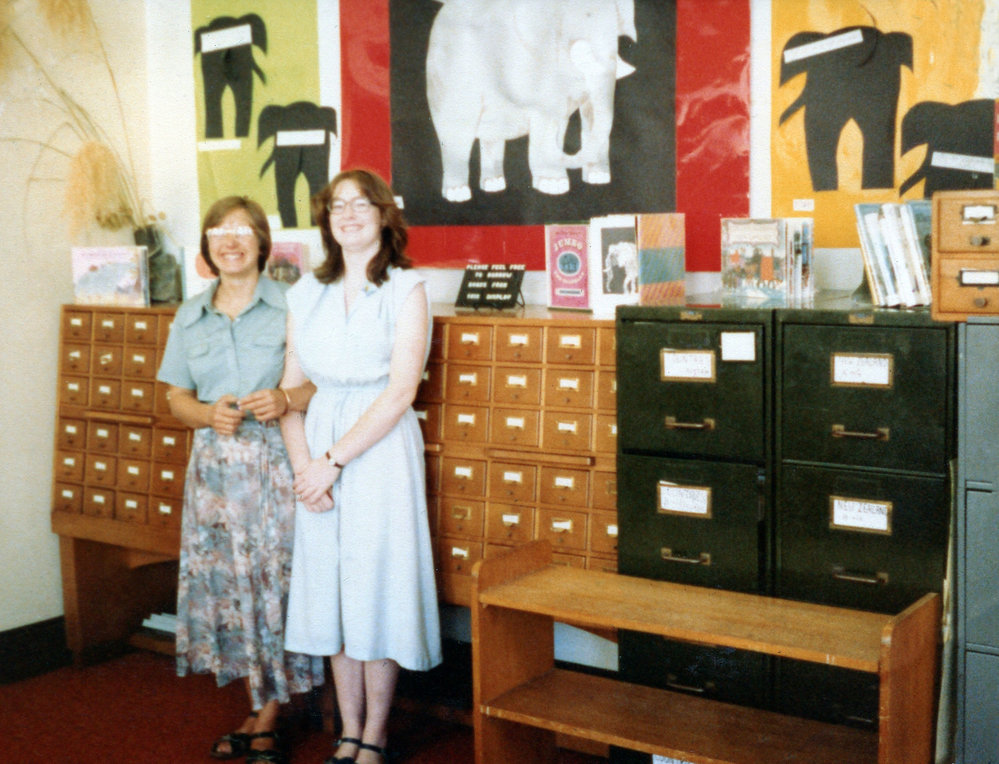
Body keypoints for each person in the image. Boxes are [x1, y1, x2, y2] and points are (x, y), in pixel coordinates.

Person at [279, 169, 442, 764]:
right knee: (331, 589)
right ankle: (348, 727)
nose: (347, 214)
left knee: (378, 587)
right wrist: (306, 471)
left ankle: (375, 733)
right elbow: (292, 392)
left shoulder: (407, 289)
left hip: (376, 447)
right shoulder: (305, 293)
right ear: (326, 220)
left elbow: (400, 391)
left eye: (361, 204)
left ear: (383, 217)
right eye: (336, 206)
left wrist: (332, 461)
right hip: (317, 448)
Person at [157, 196, 324, 764]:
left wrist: (283, 397)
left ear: (261, 243)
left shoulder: (293, 306)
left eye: (242, 231)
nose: (230, 241)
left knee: (273, 584)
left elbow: (325, 384)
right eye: (218, 233)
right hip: (214, 471)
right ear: (207, 249)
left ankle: (272, 712)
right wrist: (206, 414)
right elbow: (176, 395)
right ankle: (262, 704)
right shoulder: (189, 314)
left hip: (274, 463)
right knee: (231, 586)